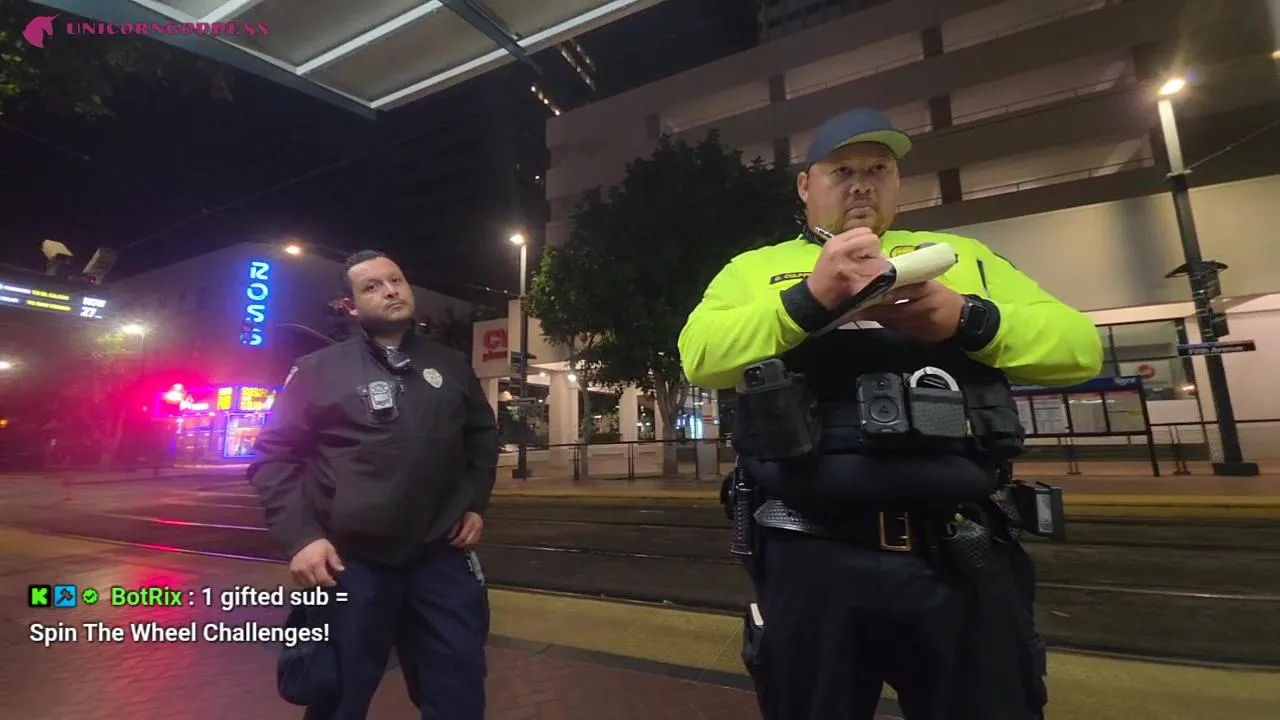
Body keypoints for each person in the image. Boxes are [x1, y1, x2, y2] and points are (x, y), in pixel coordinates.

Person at [678, 108, 1103, 719]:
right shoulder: (754, 269)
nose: (862, 185)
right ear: (805, 186)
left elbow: (1080, 349)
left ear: (898, 182)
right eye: (843, 171)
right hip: (811, 555)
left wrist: (966, 318)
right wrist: (808, 301)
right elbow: (700, 356)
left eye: (878, 170)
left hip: (960, 551)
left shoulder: (961, 257)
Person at [249, 250, 499, 720]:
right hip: (350, 565)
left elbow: (482, 437)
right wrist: (302, 538)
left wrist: (474, 502)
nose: (390, 290)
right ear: (348, 305)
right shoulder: (318, 369)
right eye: (372, 286)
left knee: (459, 692)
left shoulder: (450, 365)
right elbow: (273, 458)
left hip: (440, 559)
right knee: (337, 697)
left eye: (396, 280)